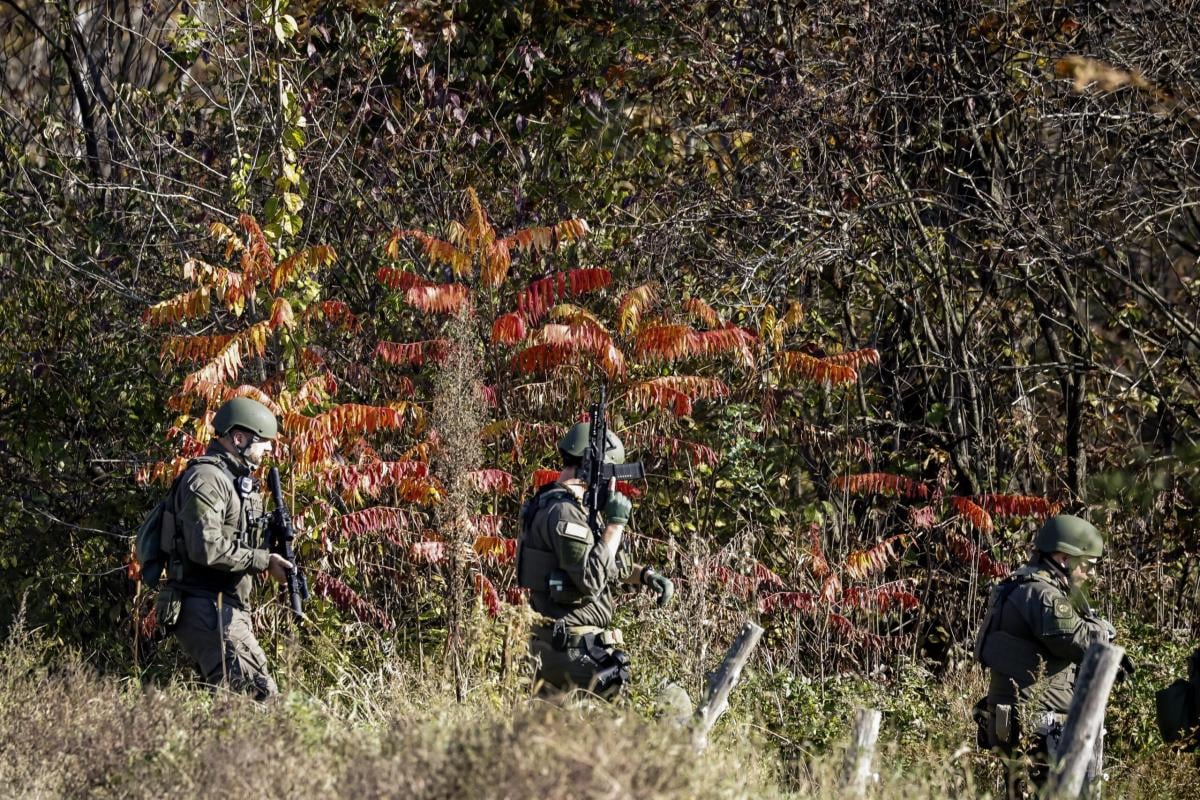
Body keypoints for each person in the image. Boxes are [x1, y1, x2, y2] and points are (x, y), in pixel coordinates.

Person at [516, 422, 674, 699]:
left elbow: (606, 562)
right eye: (609, 475)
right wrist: (615, 524)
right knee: (666, 699)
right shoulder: (564, 513)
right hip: (574, 651)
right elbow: (590, 579)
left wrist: (646, 576)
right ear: (593, 470)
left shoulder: (554, 504)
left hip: (556, 647)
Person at [155, 397, 292, 699]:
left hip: (222, 606)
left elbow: (235, 539)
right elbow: (206, 547)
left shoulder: (234, 480)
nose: (268, 449)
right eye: (263, 441)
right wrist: (262, 560)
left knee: (233, 706)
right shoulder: (206, 479)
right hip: (206, 605)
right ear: (238, 438)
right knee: (258, 698)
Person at [973, 513, 1114, 797]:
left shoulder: (1014, 585)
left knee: (1018, 793)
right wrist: (1103, 628)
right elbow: (1081, 644)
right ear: (1063, 558)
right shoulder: (1044, 595)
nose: (1090, 575)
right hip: (1038, 722)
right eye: (1086, 566)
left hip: (1006, 718)